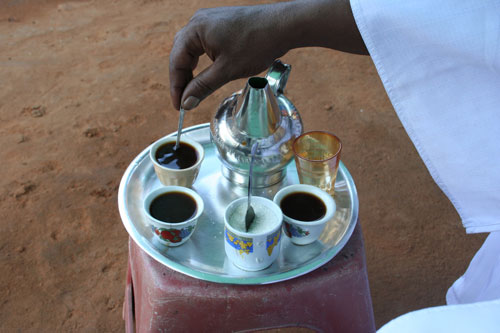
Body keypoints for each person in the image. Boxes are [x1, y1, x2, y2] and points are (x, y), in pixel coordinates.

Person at [169, 0, 500, 330]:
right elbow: (456, 16)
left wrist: (283, 25)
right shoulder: (239, 120)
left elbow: (460, 20)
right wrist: (281, 24)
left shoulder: (282, 121)